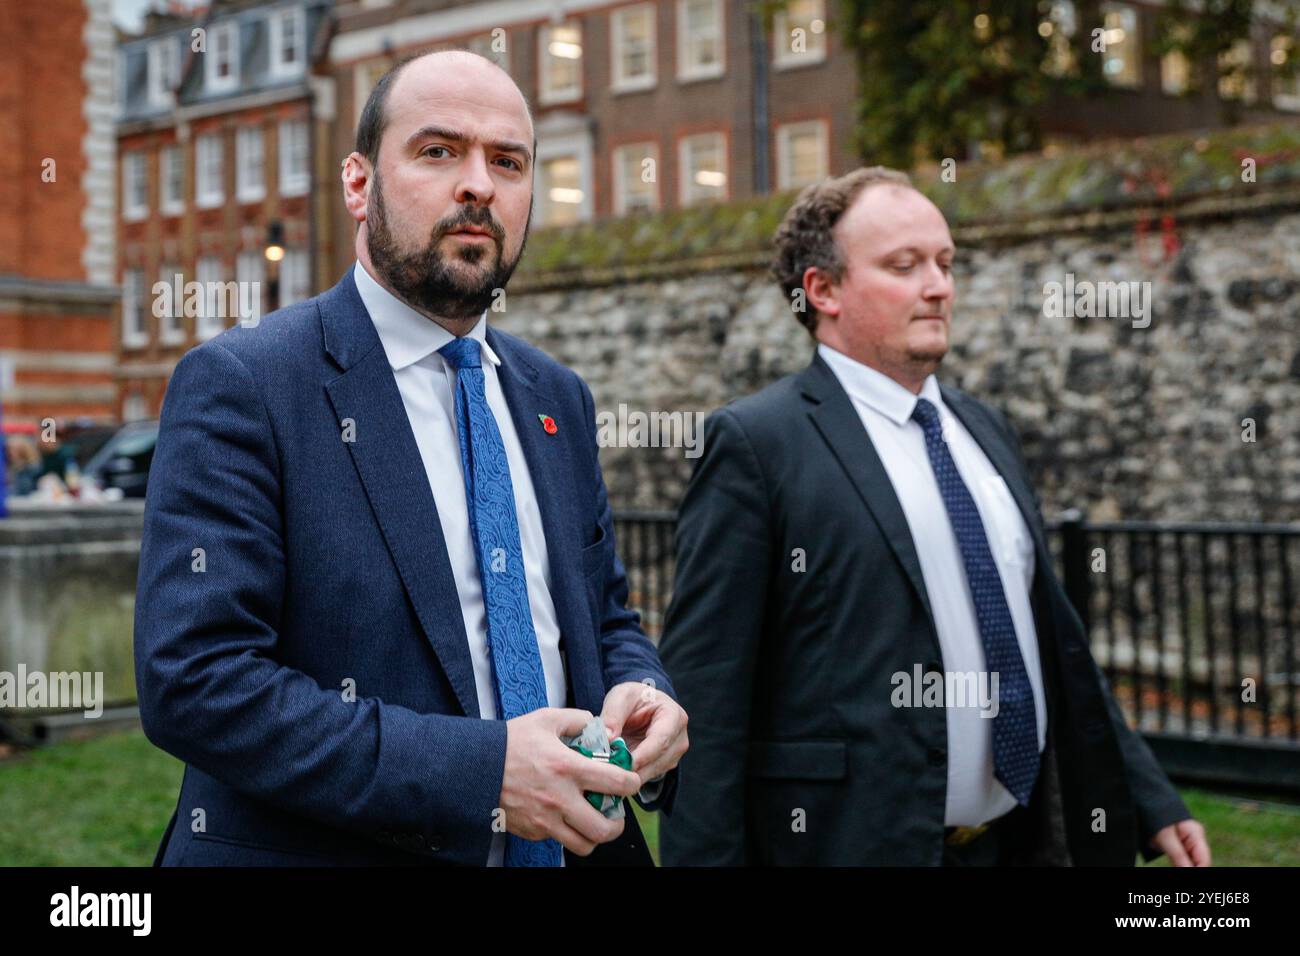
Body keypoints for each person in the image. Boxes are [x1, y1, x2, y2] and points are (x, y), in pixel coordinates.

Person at [134, 50, 687, 867]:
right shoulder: (247, 384)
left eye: (508, 161)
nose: (479, 185)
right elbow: (196, 681)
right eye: (439, 152)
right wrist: (482, 774)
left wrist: (645, 692)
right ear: (358, 184)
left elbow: (602, 617)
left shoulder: (555, 396)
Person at [658, 166, 1208, 867]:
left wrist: (1150, 797)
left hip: (1021, 843)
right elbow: (708, 692)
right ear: (822, 290)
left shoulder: (985, 431)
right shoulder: (758, 444)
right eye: (904, 265)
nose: (939, 285)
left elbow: (1052, 640)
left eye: (945, 263)